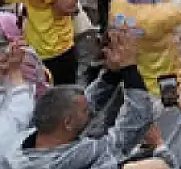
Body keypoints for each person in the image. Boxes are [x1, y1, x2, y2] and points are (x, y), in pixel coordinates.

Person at [7, 31, 161, 169]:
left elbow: (82, 104)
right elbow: (133, 126)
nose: (90, 111)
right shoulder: (78, 158)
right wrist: (129, 68)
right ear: (67, 123)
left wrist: (112, 74)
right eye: (85, 111)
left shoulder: (24, 142)